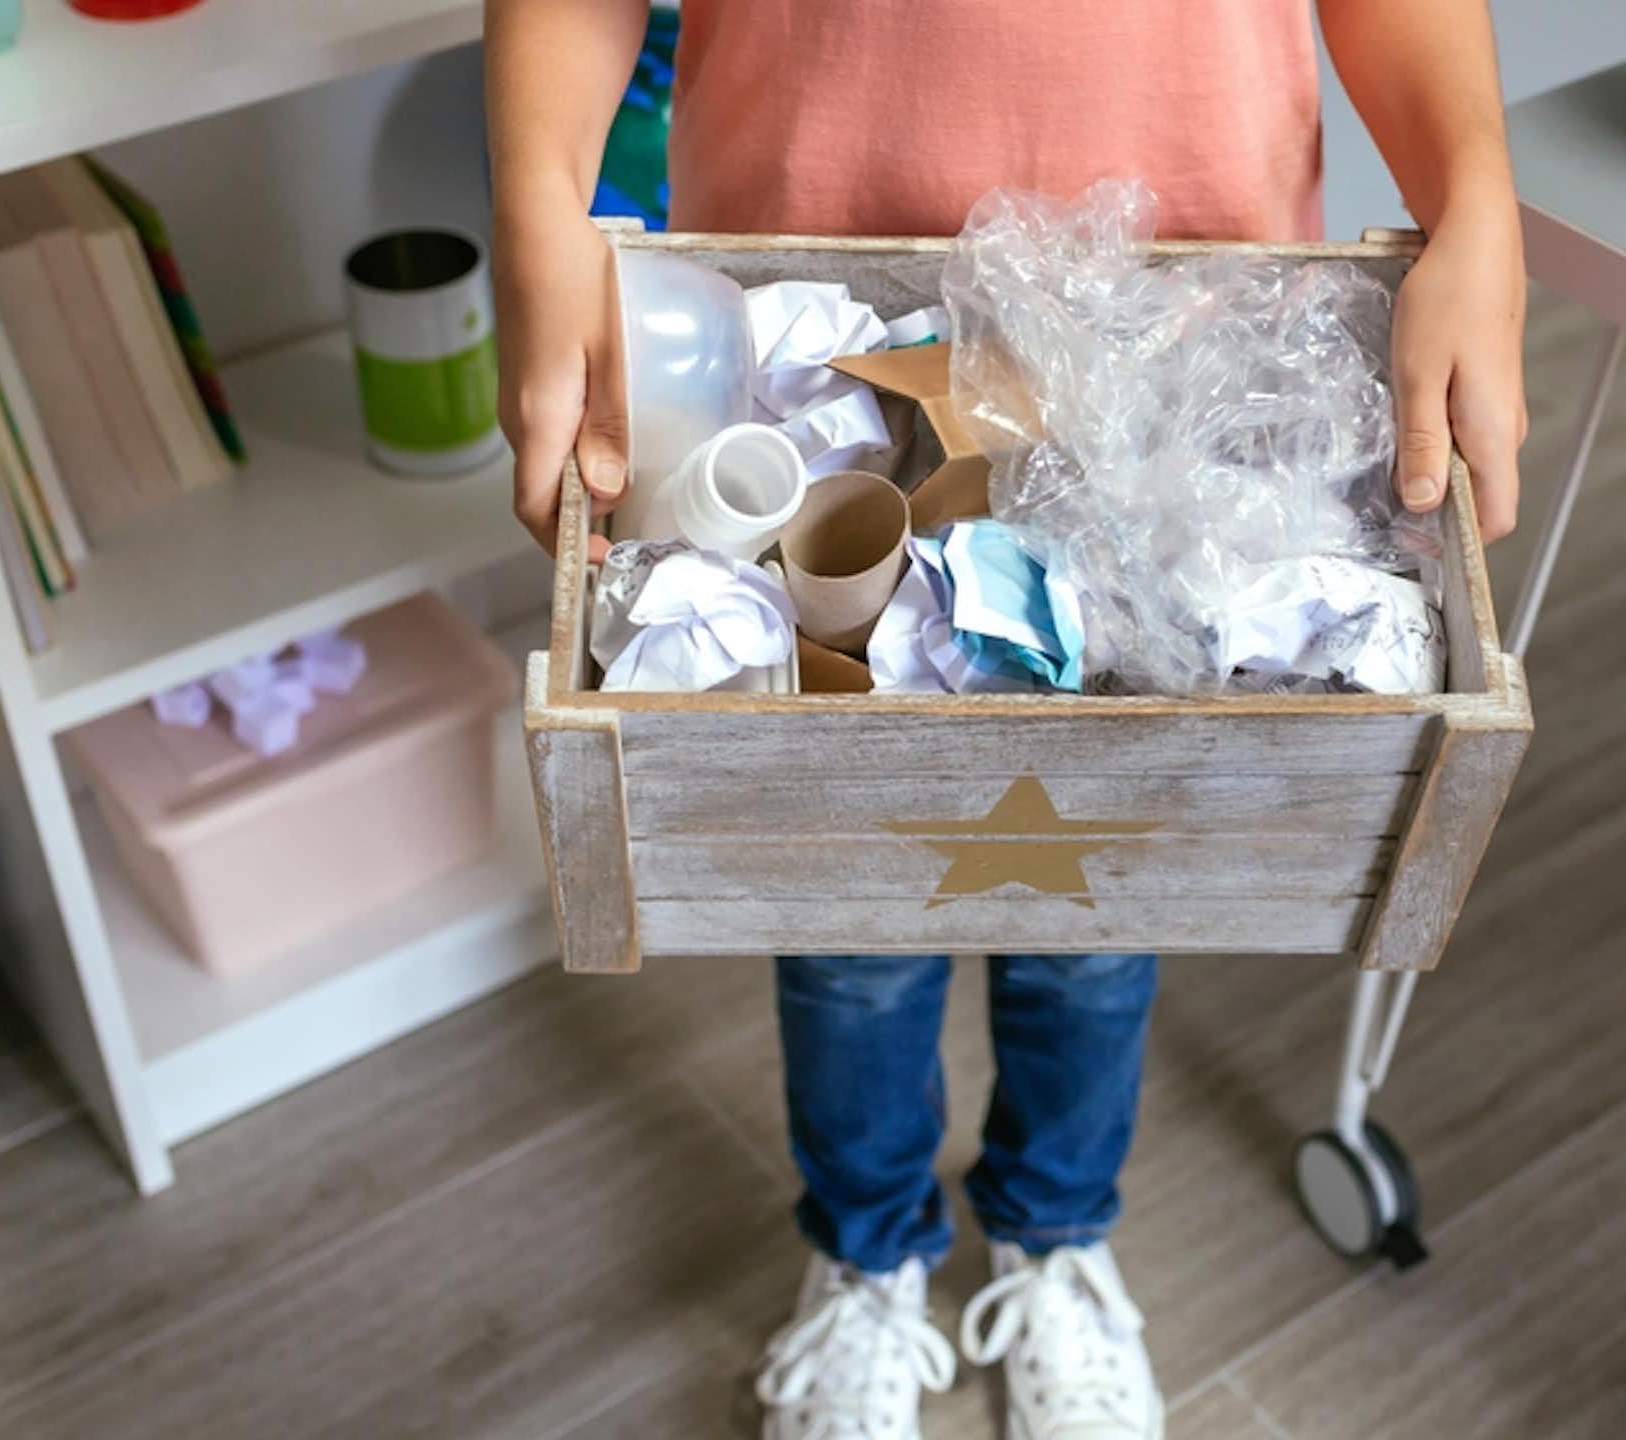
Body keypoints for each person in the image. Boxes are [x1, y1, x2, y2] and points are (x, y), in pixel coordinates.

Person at [486, 3, 1525, 1435]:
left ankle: (1055, 1235)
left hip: (1188, 338)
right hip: (800, 344)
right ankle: (864, 1257)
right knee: (848, 915)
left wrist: (1472, 195)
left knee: (1095, 900)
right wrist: (538, 198)